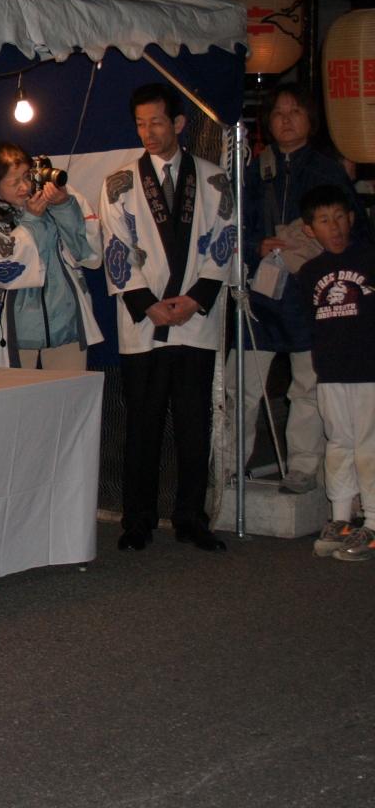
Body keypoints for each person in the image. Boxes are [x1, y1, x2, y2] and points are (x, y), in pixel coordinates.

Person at [100, 82, 234, 553]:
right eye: (141, 124)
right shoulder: (119, 182)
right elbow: (116, 247)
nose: (148, 132)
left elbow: (225, 243)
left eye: (156, 122)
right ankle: (137, 519)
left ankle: (191, 517)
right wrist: (147, 303)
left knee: (194, 424)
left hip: (195, 319)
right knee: (142, 423)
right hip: (145, 323)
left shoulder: (214, 180)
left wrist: (195, 299)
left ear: (178, 123)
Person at [233, 86, 368, 492]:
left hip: (315, 294)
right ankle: (228, 465)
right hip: (260, 293)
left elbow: (356, 232)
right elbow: (230, 226)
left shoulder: (328, 170)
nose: (286, 119)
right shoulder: (253, 169)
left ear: (311, 119)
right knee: (240, 385)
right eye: (278, 113)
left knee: (307, 387)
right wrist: (256, 245)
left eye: (295, 111)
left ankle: (303, 468)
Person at [0, 141, 103, 369]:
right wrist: (31, 220)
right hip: (14, 331)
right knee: (19, 392)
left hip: (66, 322)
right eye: (14, 182)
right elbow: (1, 268)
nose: (24, 187)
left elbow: (88, 253)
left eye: (27, 177)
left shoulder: (54, 194)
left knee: (69, 390)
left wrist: (63, 206)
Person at [295, 185, 375, 562]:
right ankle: (341, 518)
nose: (335, 227)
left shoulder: (370, 258)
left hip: (368, 371)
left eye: (340, 217)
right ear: (310, 229)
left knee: (369, 445)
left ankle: (372, 522)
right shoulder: (310, 272)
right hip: (331, 372)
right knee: (338, 442)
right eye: (325, 220)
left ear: (352, 218)